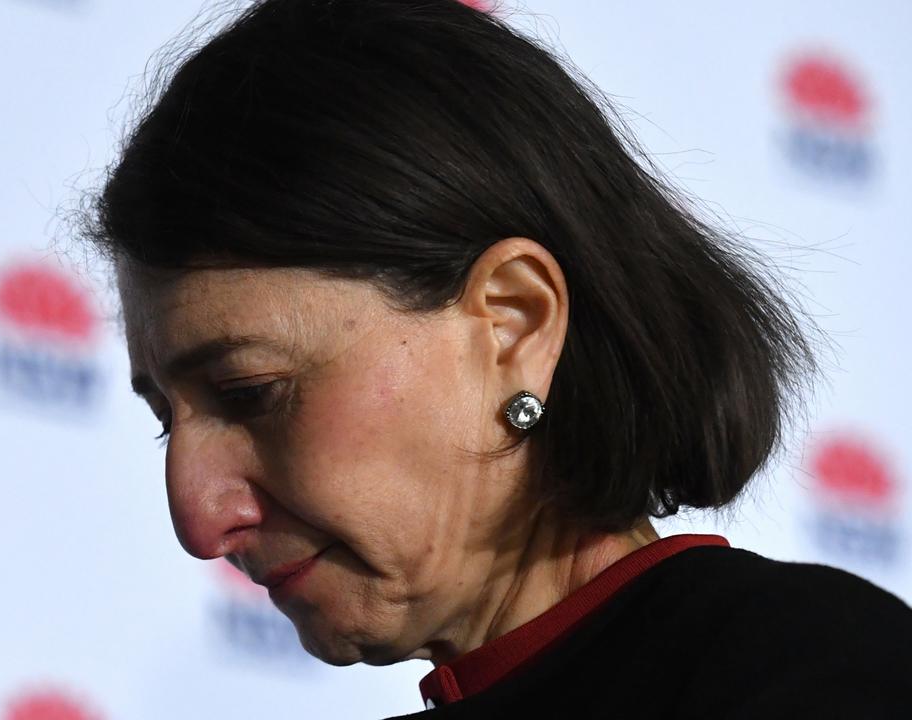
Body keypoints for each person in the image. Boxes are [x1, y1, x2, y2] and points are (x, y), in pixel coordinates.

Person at [72, 0, 912, 716]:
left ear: (513, 324)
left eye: (251, 391)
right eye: (163, 421)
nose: (197, 519)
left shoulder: (821, 680)